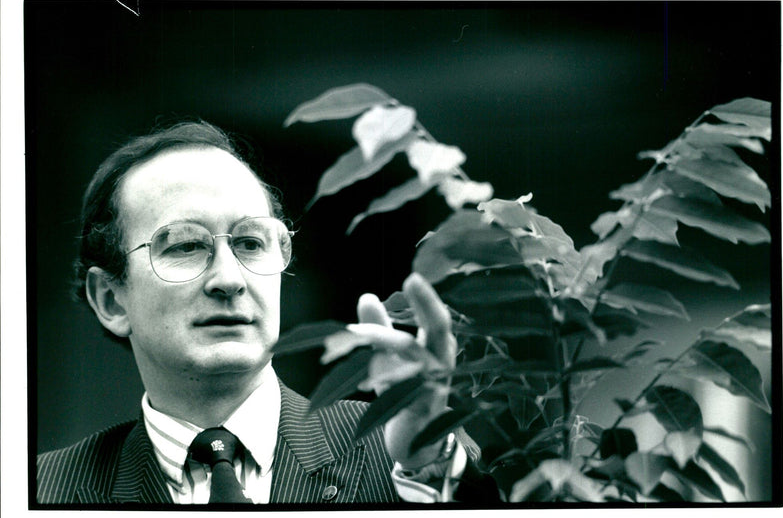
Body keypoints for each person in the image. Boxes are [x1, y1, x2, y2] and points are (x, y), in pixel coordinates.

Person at [35, 121, 496, 505]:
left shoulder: (399, 448)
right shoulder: (47, 491)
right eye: (186, 246)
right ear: (111, 300)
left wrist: (429, 462)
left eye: (251, 243)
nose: (229, 280)